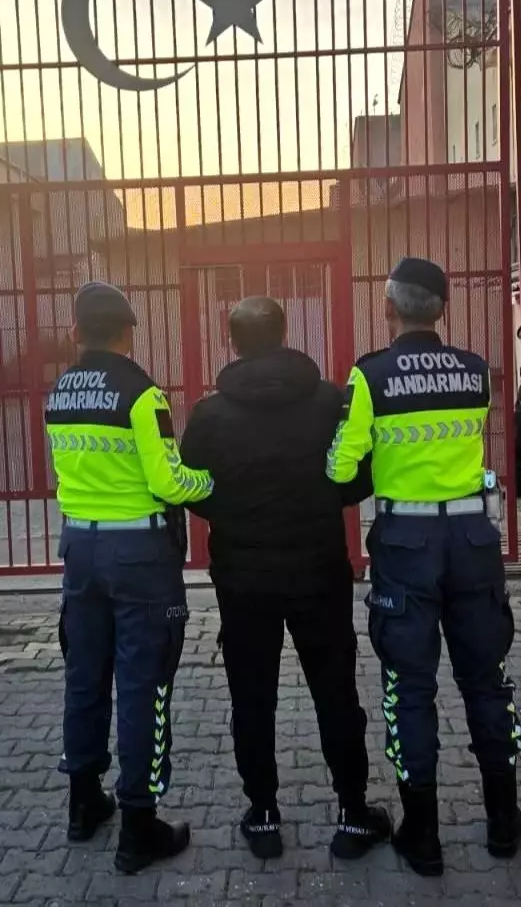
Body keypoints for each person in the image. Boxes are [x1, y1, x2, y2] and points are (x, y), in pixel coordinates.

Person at [326, 257, 521, 877]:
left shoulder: (370, 377)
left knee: (409, 687)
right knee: (486, 679)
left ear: (388, 307)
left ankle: (423, 834)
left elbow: (340, 468)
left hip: (406, 544)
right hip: (472, 539)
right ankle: (503, 820)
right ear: (442, 309)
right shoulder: (475, 372)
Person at [179, 296, 392, 861]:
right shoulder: (328, 401)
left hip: (242, 577)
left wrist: (232, 513)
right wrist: (321, 501)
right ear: (284, 333)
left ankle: (264, 815)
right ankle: (352, 813)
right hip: (319, 572)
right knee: (336, 692)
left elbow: (191, 486)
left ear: (232, 342)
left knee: (251, 696)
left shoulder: (210, 414)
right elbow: (357, 477)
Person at [47, 281, 214, 874]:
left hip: (80, 549)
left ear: (75, 332)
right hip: (138, 553)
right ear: (127, 333)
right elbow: (168, 481)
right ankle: (139, 825)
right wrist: (210, 482)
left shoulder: (59, 391)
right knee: (143, 683)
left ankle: (83, 804)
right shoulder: (142, 395)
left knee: (84, 676)